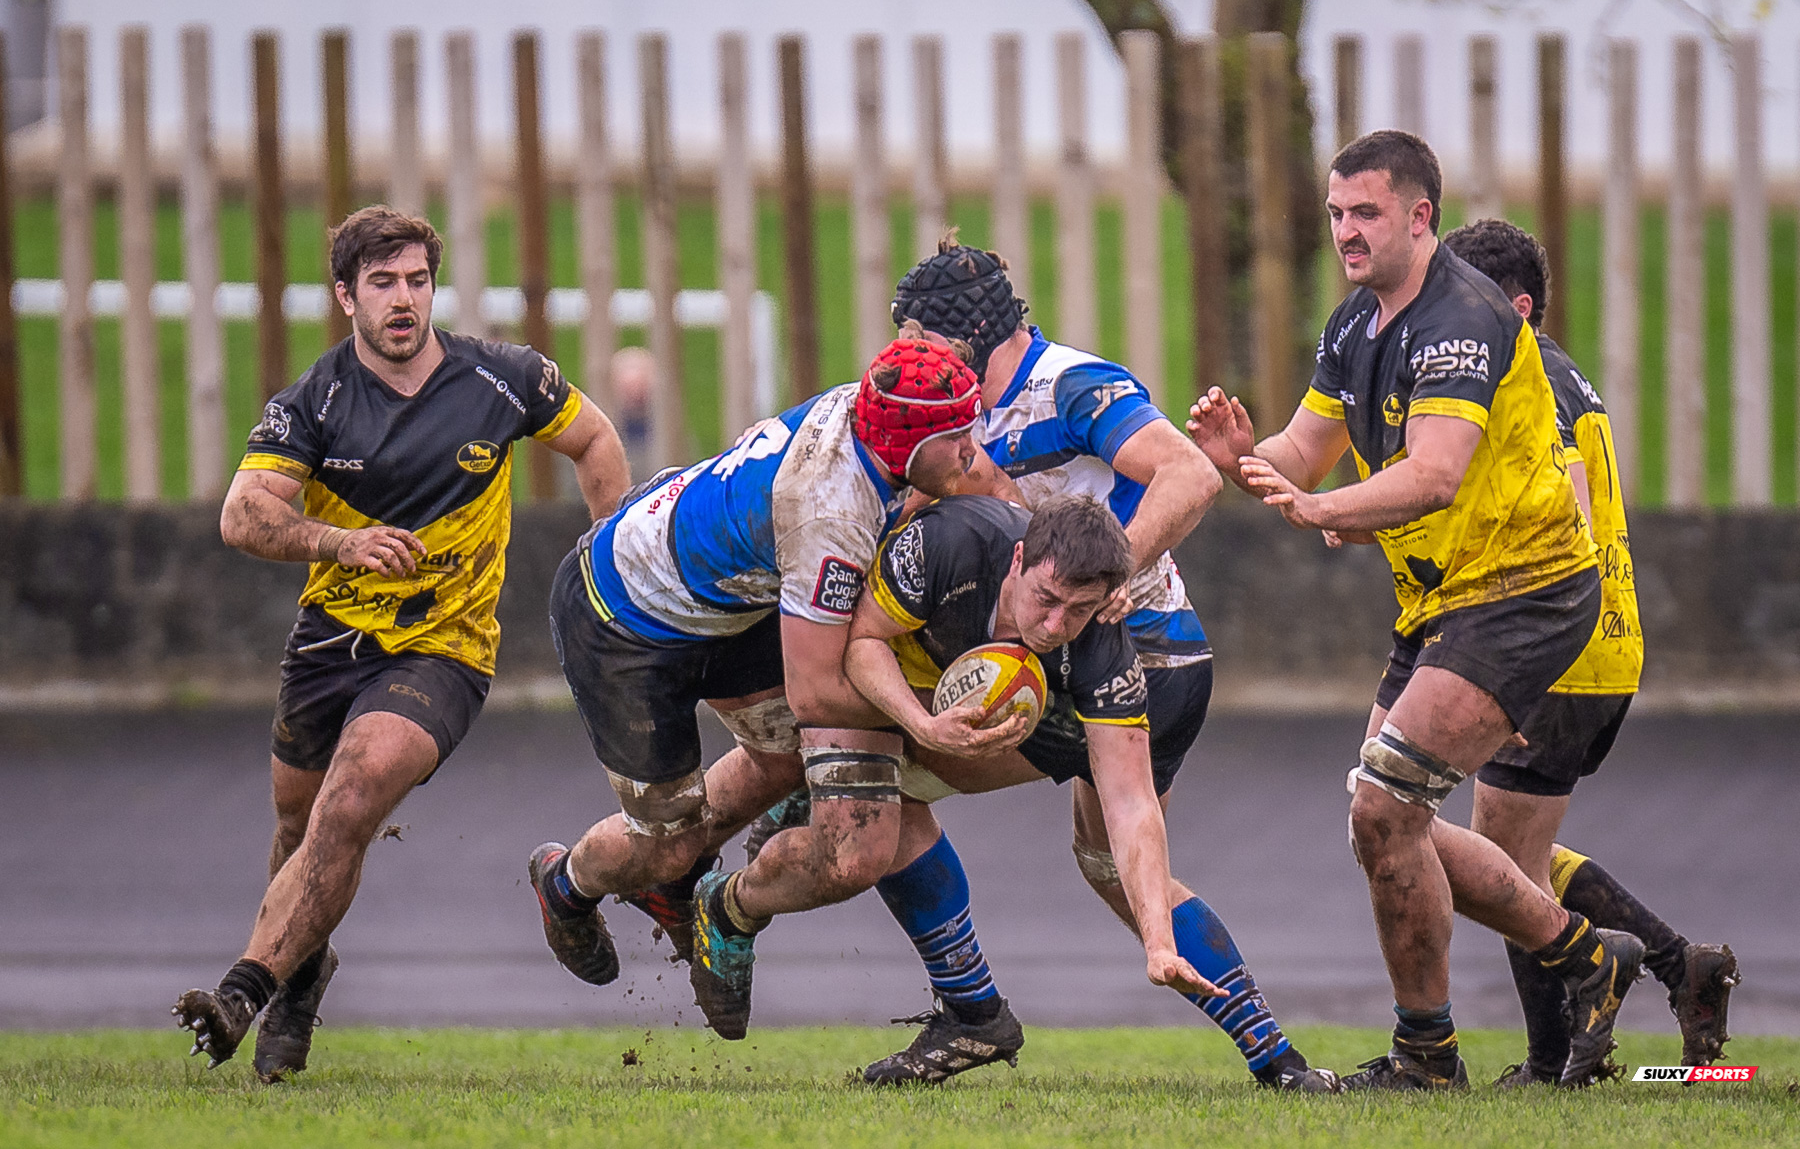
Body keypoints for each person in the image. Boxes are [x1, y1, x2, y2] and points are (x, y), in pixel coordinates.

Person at [788, 237, 1327, 1090]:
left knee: (865, 777)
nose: (915, 357)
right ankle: (1279, 1062)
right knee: (1115, 864)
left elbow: (1188, 478)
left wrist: (1107, 589)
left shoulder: (1069, 386)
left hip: (1135, 652)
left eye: (925, 339)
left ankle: (970, 1013)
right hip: (1118, 656)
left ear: (967, 338)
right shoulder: (962, 421)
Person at [1187, 130, 1641, 1090]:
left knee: (1386, 806)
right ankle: (1563, 973)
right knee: (1386, 822)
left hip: (1526, 590)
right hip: (1444, 601)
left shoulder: (1462, 320)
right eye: (1336, 214)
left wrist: (1319, 511)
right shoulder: (1356, 324)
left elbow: (1432, 477)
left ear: (1420, 215)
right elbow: (1303, 456)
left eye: (1367, 214)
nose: (1346, 233)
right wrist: (1241, 459)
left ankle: (1468, 1029)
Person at [173, 205, 631, 1079]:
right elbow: (243, 515)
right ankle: (303, 978)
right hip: (328, 641)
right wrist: (338, 542)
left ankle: (242, 991)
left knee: (351, 799)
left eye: (417, 281)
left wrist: (613, 556)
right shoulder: (316, 401)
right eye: (382, 283)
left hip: (443, 652)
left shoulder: (503, 379)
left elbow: (594, 437)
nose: (404, 300)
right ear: (346, 295)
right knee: (296, 828)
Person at [526, 324, 1024, 1038]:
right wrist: (925, 724)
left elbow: (973, 477)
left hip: (727, 595)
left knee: (797, 754)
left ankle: (686, 892)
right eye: (956, 438)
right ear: (908, 447)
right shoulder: (830, 514)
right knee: (668, 838)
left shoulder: (878, 413)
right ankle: (567, 883)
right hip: (623, 621)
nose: (972, 450)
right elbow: (818, 693)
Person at [782, 492, 1337, 1091]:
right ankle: (1277, 1063)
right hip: (998, 694)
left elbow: (1131, 803)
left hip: (1116, 696)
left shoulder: (1101, 642)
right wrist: (921, 724)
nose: (1053, 625)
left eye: (1076, 610)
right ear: (1018, 559)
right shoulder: (946, 545)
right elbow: (862, 642)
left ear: (1103, 603)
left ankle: (1273, 1059)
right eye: (1046, 599)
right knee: (896, 786)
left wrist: (1156, 942)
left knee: (1104, 863)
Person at [1439, 218, 1739, 1085]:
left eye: (1468, 297)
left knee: (1496, 870)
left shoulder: (1526, 375)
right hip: (1604, 644)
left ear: (1516, 307)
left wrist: (1520, 661)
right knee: (1509, 858)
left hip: (1556, 651)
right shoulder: (1564, 369)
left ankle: (1552, 1061)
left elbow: (1564, 507)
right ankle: (1683, 968)